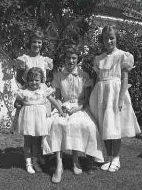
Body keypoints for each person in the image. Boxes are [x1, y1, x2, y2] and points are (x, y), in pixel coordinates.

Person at [42, 45, 104, 183]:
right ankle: (59, 164)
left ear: (77, 59)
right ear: (65, 59)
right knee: (56, 123)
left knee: (84, 124)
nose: (71, 61)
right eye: (68, 58)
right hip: (63, 106)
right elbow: (57, 97)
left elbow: (86, 99)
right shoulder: (59, 76)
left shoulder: (84, 76)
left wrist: (76, 109)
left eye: (74, 58)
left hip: (80, 107)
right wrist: (61, 108)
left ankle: (76, 159)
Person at [89, 25, 141, 172]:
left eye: (112, 38)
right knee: (105, 125)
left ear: (116, 38)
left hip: (115, 93)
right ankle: (109, 157)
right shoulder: (99, 58)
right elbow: (98, 79)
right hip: (101, 94)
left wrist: (120, 99)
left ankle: (116, 158)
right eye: (106, 38)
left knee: (114, 126)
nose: (109, 41)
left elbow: (124, 79)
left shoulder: (123, 56)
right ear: (102, 40)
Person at [14, 67, 65, 174]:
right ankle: (28, 163)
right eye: (31, 80)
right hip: (27, 119)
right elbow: (16, 103)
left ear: (41, 80)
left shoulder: (43, 90)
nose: (34, 82)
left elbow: (53, 101)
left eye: (36, 80)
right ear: (27, 80)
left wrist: (60, 110)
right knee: (28, 142)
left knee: (37, 142)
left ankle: (35, 161)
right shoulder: (24, 91)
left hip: (39, 120)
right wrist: (19, 104)